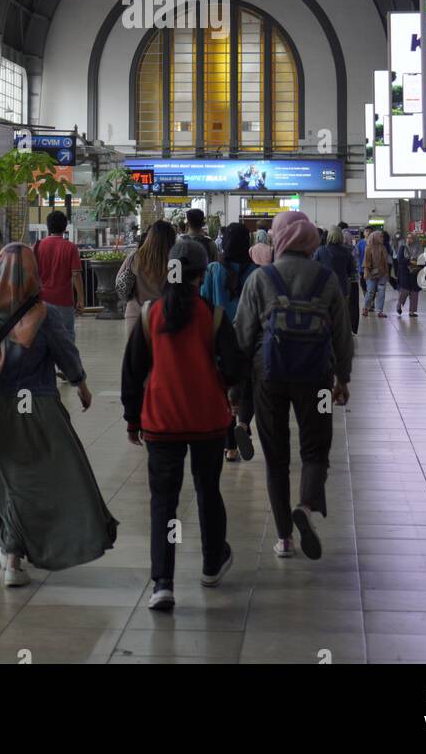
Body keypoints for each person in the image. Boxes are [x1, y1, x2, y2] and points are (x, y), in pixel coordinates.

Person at [0, 242, 117, 585]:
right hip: (37, 408)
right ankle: (13, 556)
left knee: (9, 480)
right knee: (48, 478)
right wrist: (81, 384)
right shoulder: (44, 314)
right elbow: (65, 354)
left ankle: (10, 552)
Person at [122, 236, 246, 612]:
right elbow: (236, 366)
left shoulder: (150, 314)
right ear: (200, 275)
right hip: (207, 420)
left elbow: (132, 372)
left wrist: (132, 418)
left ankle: (163, 582)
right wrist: (224, 385)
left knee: (164, 501)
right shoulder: (215, 315)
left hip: (161, 421)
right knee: (208, 490)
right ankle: (211, 562)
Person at [235, 211, 353, 561]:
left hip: (269, 377)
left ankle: (285, 538)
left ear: (278, 237)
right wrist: (342, 378)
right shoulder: (327, 279)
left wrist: (236, 390)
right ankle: (305, 504)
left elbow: (242, 335)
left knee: (276, 459)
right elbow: (342, 335)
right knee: (316, 449)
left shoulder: (260, 279)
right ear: (310, 241)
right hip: (317, 380)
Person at [202, 223, 256, 462]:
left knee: (223, 389)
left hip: (220, 338)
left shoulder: (213, 269)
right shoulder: (257, 272)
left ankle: (230, 447)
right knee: (249, 387)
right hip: (249, 337)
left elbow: (203, 301)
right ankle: (243, 424)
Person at [116, 221, 175, 340]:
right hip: (165, 315)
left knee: (137, 357)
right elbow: (178, 289)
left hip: (136, 314)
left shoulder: (135, 257)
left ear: (150, 236)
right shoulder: (176, 261)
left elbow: (119, 283)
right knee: (161, 357)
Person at [34, 209, 85, 343]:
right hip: (64, 301)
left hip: (42, 300)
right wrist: (81, 299)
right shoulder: (71, 247)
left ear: (48, 226)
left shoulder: (37, 246)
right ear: (65, 227)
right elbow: (76, 275)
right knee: (66, 337)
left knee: (43, 337)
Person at [315, 225, 358, 333]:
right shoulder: (347, 252)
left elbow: (314, 267)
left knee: (326, 310)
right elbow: (352, 270)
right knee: (341, 312)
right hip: (342, 287)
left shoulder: (321, 251)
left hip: (324, 286)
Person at [362, 230, 391, 318]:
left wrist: (387, 273)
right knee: (370, 291)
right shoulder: (368, 248)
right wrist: (366, 272)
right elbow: (366, 262)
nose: (382, 238)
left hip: (382, 274)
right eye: (380, 236)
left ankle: (380, 311)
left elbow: (386, 262)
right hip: (371, 274)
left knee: (381, 291)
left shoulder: (383, 248)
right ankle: (365, 308)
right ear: (375, 237)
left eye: (382, 237)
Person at [396, 233, 421, 316]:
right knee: (404, 290)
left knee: (414, 292)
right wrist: (410, 261)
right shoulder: (402, 248)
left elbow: (423, 260)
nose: (409, 240)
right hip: (404, 273)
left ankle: (412, 311)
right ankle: (399, 304)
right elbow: (399, 260)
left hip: (415, 272)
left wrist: (419, 263)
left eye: (411, 238)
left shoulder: (419, 249)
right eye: (408, 238)